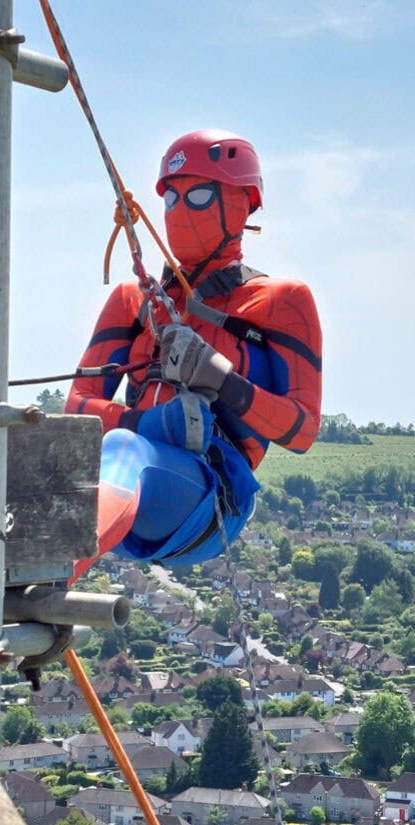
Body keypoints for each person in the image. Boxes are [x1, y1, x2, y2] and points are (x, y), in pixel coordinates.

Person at [66, 129, 322, 583]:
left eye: (200, 195)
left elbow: (301, 429)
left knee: (126, 449)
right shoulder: (136, 300)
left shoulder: (280, 302)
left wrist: (221, 380)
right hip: (123, 482)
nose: (180, 212)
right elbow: (78, 404)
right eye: (171, 199)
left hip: (208, 499)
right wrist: (150, 424)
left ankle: (49, 574)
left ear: (241, 204)